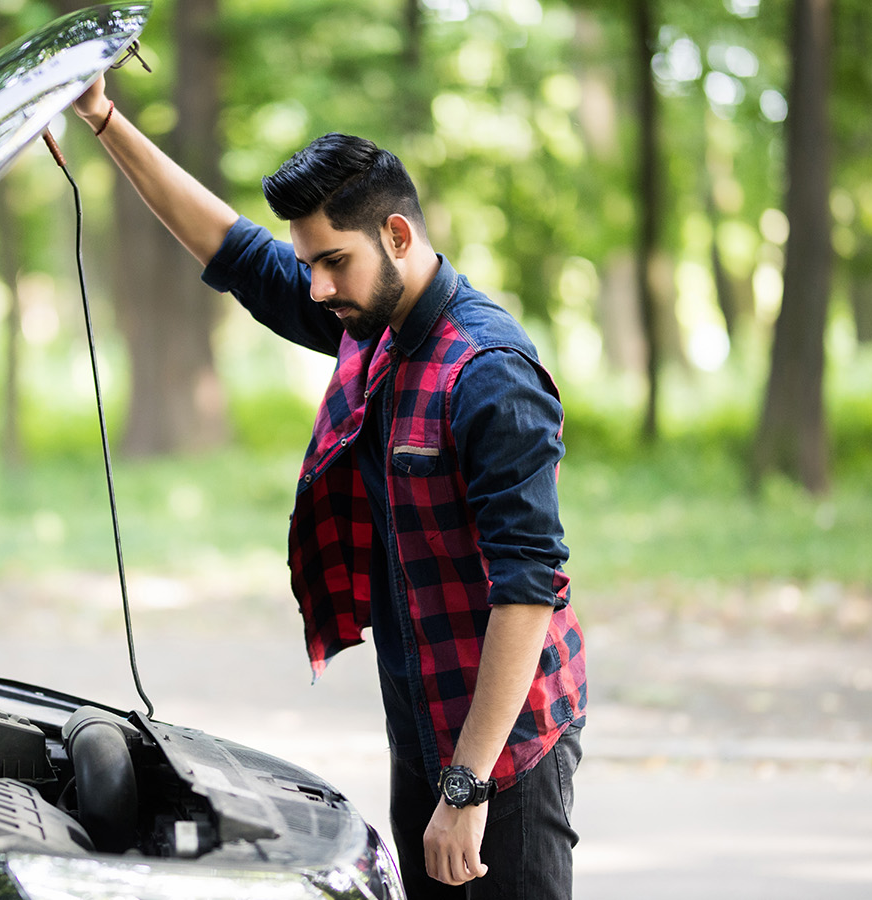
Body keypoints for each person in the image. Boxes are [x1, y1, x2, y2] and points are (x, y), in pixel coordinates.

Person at [72, 75, 586, 900]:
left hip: (504, 748)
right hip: (424, 719)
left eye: (332, 262)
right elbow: (231, 249)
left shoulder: (490, 376)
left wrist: (467, 785)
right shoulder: (366, 319)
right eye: (309, 263)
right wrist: (102, 119)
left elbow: (527, 592)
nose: (315, 287)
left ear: (397, 234)